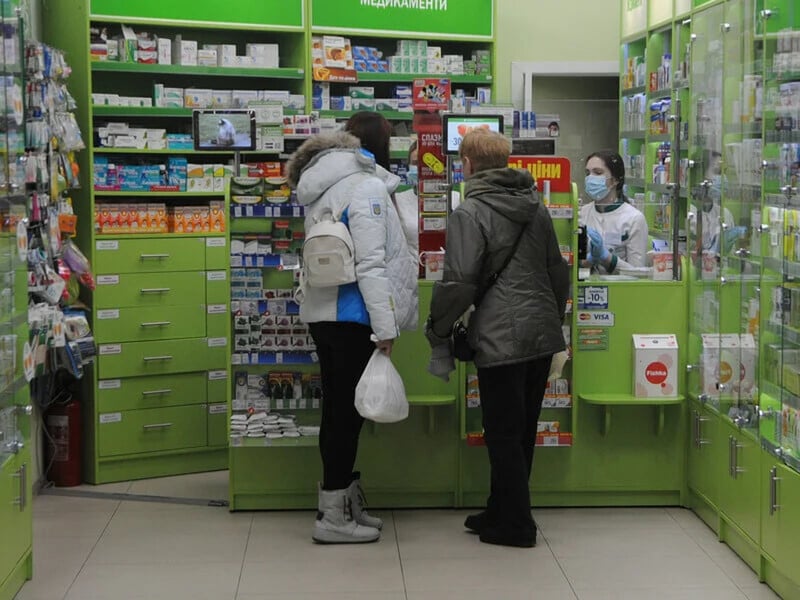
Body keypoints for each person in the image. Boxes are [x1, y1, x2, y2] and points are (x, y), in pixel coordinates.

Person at [424, 129, 570, 548]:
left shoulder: (469, 212)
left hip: (500, 335)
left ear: (468, 165)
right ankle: (501, 508)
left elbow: (459, 283)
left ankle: (517, 525)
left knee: (502, 432)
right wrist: (552, 318)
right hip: (540, 332)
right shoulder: (536, 207)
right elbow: (556, 270)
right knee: (521, 431)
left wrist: (437, 329)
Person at [286, 130, 417, 544]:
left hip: (326, 315)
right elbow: (372, 264)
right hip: (353, 317)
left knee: (341, 413)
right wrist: (386, 327)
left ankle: (344, 503)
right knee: (345, 417)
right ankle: (333, 518)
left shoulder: (323, 187)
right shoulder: (365, 187)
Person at [579, 149, 648, 273]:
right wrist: (589, 260)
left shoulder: (634, 218)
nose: (590, 178)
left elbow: (638, 273)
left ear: (615, 180)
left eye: (598, 172)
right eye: (587, 173)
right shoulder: (582, 213)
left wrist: (606, 257)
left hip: (619, 285)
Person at [688, 150, 737, 254]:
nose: (723, 178)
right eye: (717, 172)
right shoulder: (689, 213)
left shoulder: (726, 215)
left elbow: (730, 255)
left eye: (723, 172)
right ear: (699, 175)